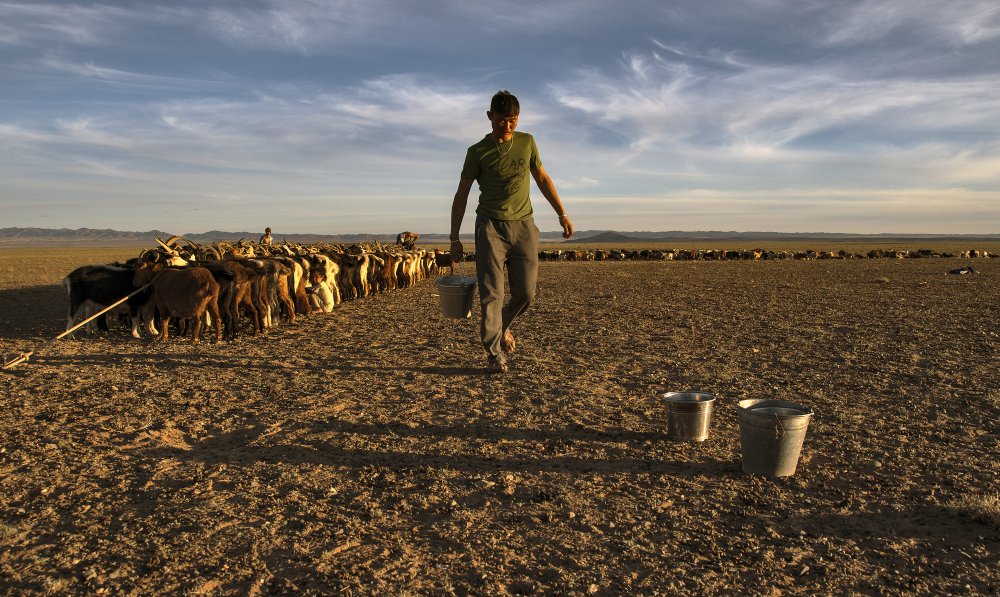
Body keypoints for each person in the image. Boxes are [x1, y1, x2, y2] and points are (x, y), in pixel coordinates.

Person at [449, 90, 573, 374]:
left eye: (513, 120)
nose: (507, 126)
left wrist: (561, 213)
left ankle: (502, 326)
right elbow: (462, 194)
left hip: (524, 226)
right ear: (489, 116)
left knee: (526, 294)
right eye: (502, 120)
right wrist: (455, 238)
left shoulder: (527, 142)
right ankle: (493, 354)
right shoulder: (477, 151)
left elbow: (542, 178)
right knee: (492, 293)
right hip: (490, 227)